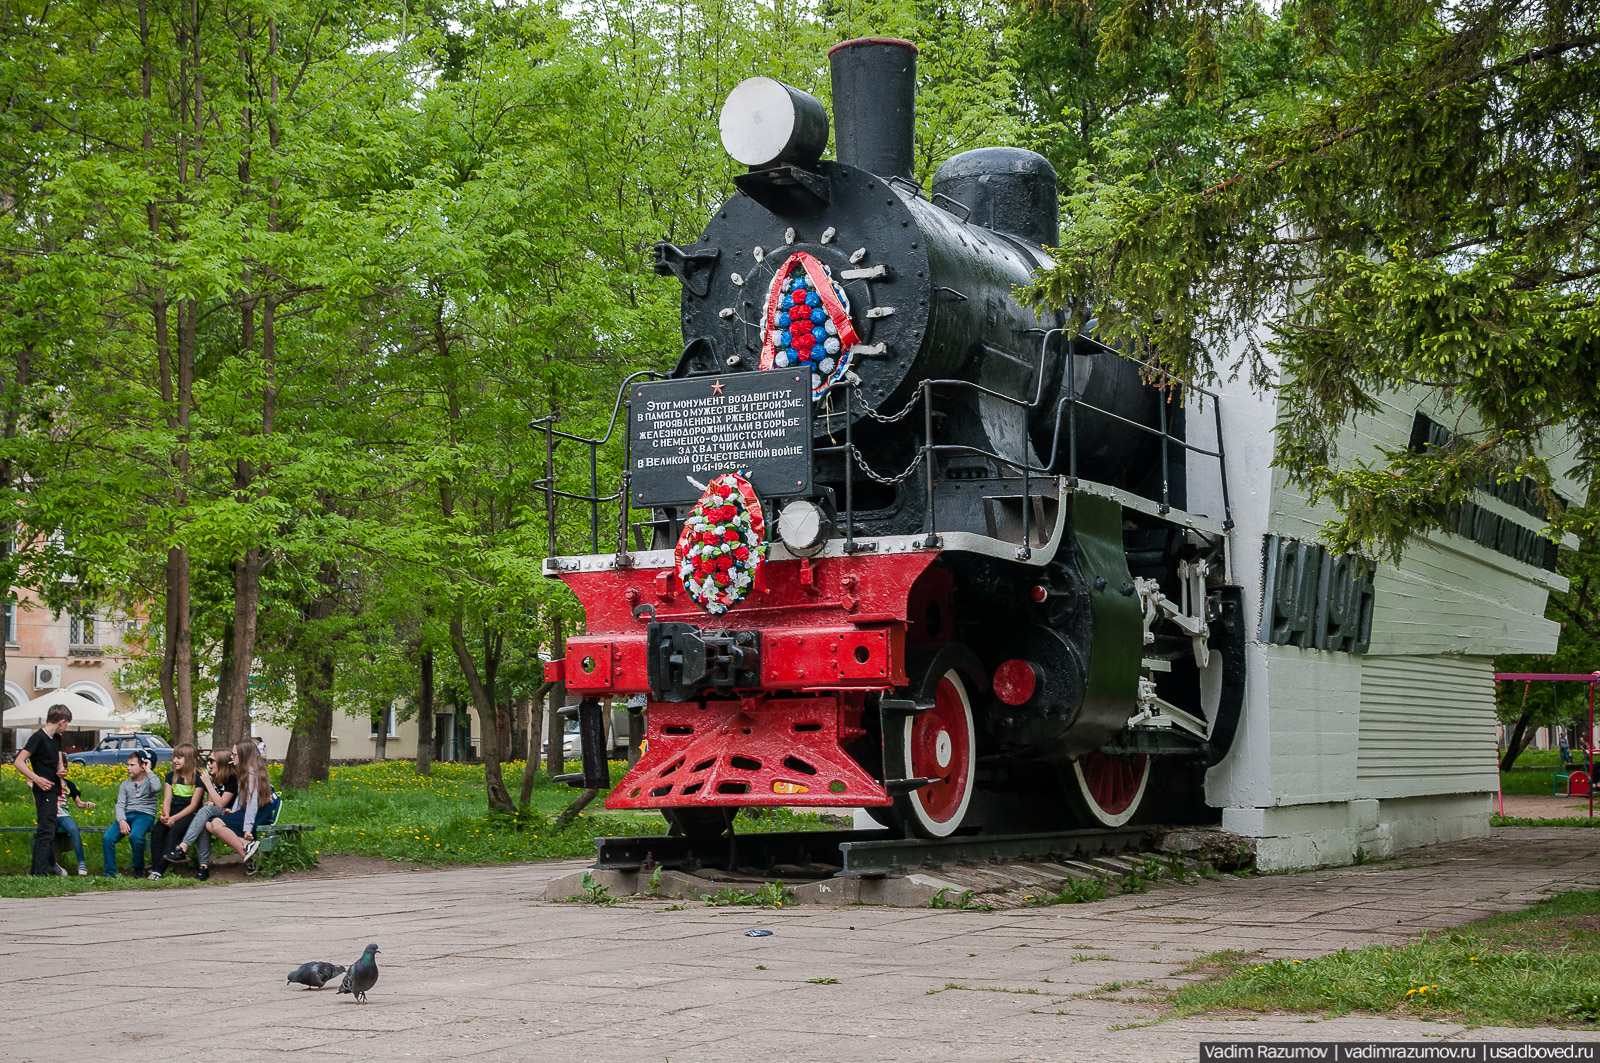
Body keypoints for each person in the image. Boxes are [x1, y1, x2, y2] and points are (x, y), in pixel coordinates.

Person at [12, 703, 71, 876]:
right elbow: (18, 762)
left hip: (54, 788)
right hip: (43, 790)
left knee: (49, 830)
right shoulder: (38, 737)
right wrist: (36, 779)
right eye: (67, 724)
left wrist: (62, 771)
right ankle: (39, 873)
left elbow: (58, 760)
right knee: (45, 831)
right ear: (61, 721)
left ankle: (38, 871)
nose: (67, 728)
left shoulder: (57, 738)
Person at [162, 748, 237, 880]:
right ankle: (203, 867)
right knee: (204, 823)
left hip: (231, 813)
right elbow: (212, 800)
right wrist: (209, 801)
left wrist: (208, 784)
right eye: (208, 760)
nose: (208, 763)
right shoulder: (214, 777)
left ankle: (182, 848)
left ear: (221, 763)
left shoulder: (232, 779)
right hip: (217, 813)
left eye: (211, 761)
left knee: (205, 811)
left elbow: (221, 803)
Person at [206, 739, 280, 864]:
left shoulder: (251, 774)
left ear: (244, 756)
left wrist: (247, 829)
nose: (231, 756)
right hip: (248, 811)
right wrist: (234, 811)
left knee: (217, 823)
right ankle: (247, 845)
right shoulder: (243, 772)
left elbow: (252, 804)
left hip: (259, 814)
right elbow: (241, 798)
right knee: (209, 824)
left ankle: (248, 857)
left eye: (234, 754)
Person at [102, 749, 162, 877]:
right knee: (108, 838)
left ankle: (138, 868)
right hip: (127, 815)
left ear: (142, 766)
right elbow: (120, 805)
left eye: (132, 765)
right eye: (128, 765)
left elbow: (157, 787)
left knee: (135, 837)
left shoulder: (151, 781)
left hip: (145, 816)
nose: (128, 768)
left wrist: (148, 770)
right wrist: (121, 820)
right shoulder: (125, 784)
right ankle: (110, 872)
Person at [147, 743, 203, 880]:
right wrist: (165, 815)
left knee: (173, 833)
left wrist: (175, 818)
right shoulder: (170, 776)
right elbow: (167, 800)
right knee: (157, 832)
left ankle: (159, 870)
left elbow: (193, 806)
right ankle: (155, 868)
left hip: (189, 813)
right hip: (173, 810)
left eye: (179, 758)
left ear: (188, 759)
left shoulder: (198, 778)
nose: (174, 761)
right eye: (174, 757)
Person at [53, 760, 97, 876]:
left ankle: (81, 863)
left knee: (74, 829)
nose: (64, 770)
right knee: (47, 835)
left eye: (66, 767)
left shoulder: (70, 785)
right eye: (61, 767)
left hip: (64, 816)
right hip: (50, 815)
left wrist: (86, 804)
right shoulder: (49, 782)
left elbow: (78, 803)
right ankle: (52, 864)